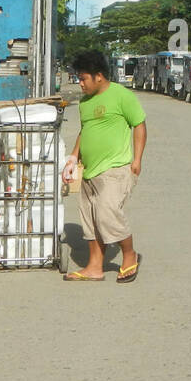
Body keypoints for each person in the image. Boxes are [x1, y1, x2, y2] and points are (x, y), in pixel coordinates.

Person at [63, 51, 147, 283]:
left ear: (98, 76)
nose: (80, 84)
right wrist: (73, 158)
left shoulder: (121, 95)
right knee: (89, 219)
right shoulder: (85, 102)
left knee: (107, 213)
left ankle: (130, 255)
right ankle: (94, 267)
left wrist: (137, 159)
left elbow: (139, 125)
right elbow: (85, 130)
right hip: (90, 170)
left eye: (83, 79)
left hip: (116, 168)